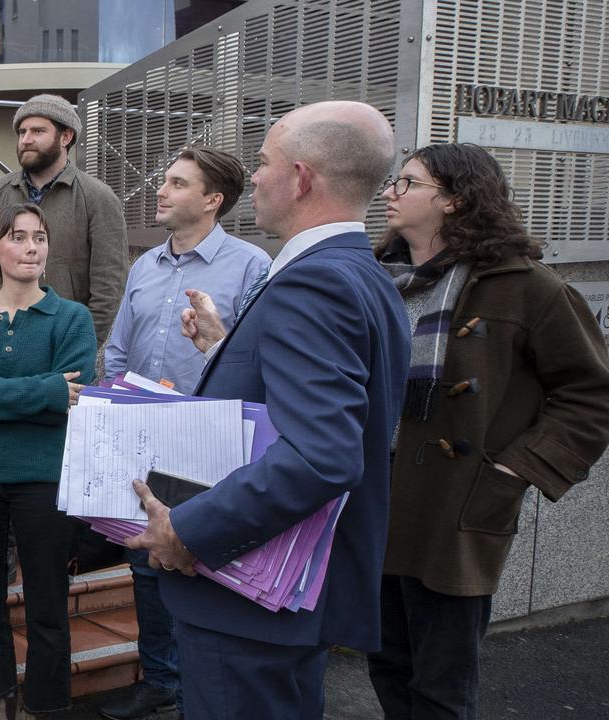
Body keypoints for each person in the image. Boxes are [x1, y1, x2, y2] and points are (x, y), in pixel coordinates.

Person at [126, 101, 412, 719]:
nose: (251, 177)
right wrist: (228, 347)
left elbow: (321, 454)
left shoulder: (315, 281)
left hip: (250, 599)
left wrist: (188, 530)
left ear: (302, 178)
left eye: (262, 162)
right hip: (282, 596)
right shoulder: (360, 273)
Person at [366, 143, 609, 719]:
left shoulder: (528, 287)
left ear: (453, 199)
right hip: (374, 491)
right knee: (386, 661)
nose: (390, 195)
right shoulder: (379, 280)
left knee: (441, 683)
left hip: (457, 499)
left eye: (407, 183)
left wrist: (512, 470)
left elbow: (591, 393)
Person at [98, 146, 269, 720]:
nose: (161, 190)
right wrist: (121, 400)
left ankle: (204, 688)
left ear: (212, 200)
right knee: (146, 562)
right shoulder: (145, 265)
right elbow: (119, 344)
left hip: (207, 442)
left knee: (201, 562)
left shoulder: (251, 266)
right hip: (143, 436)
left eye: (176, 182)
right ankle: (161, 681)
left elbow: (251, 357)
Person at [0, 203, 96, 718]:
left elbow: (76, 392)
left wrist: (4, 397)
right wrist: (45, 391)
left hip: (44, 476)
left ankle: (46, 705)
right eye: (17, 237)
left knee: (47, 598)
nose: (32, 247)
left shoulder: (72, 318)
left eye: (39, 237)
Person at [0, 93, 128, 347]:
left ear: (66, 137)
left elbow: (108, 285)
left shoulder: (97, 198)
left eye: (37, 131)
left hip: (58, 342)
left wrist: (83, 344)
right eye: (22, 132)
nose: (26, 140)